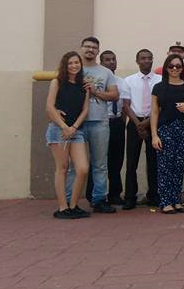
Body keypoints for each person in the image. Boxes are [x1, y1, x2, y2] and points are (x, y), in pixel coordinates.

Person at [66, 37, 120, 214]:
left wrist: (95, 91)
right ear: (81, 48)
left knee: (100, 164)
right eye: (87, 47)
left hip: (99, 122)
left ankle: (99, 200)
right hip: (76, 124)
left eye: (94, 48)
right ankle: (69, 200)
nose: (90, 50)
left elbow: (114, 95)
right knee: (75, 166)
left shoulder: (106, 72)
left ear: (98, 51)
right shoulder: (72, 68)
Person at [150, 54, 184, 214]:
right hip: (165, 129)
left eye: (178, 66)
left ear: (183, 68)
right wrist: (154, 135)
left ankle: (176, 199)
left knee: (179, 165)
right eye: (171, 66)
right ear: (166, 68)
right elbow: (155, 112)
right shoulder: (159, 87)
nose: (175, 69)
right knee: (165, 166)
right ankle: (165, 201)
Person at [46, 52, 91, 218]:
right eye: (70, 63)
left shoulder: (84, 86)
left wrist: (73, 127)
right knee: (62, 168)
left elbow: (85, 109)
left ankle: (74, 205)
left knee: (83, 168)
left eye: (77, 62)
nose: (74, 65)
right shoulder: (56, 82)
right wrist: (64, 126)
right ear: (65, 65)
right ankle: (63, 208)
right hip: (58, 130)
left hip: (76, 131)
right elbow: (49, 107)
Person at [120, 49, 162, 209]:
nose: (146, 61)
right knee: (132, 161)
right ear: (137, 61)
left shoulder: (160, 80)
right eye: (143, 58)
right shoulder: (129, 80)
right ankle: (130, 196)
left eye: (149, 58)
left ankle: (154, 195)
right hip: (134, 123)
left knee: (154, 161)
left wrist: (147, 123)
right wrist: (138, 124)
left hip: (153, 122)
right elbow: (125, 105)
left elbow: (161, 104)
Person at [100, 50, 126, 206]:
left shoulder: (122, 81)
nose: (111, 62)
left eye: (113, 59)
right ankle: (96, 194)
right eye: (107, 60)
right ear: (101, 62)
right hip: (102, 121)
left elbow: (125, 104)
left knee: (116, 160)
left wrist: (122, 123)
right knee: (99, 160)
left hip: (117, 122)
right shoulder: (98, 80)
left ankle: (115, 194)